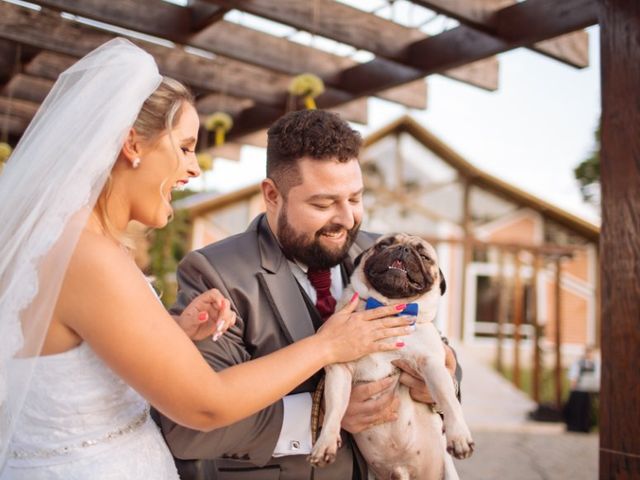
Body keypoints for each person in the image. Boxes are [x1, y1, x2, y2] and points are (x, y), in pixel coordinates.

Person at [0, 39, 413, 479]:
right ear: (133, 145)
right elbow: (203, 405)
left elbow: (82, 358)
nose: (195, 168)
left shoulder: (71, 246)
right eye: (184, 146)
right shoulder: (87, 256)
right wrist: (328, 345)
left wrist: (174, 332)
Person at [160, 109, 460, 480]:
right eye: (323, 204)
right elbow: (189, 428)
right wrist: (318, 417)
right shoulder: (214, 274)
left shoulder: (379, 256)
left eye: (355, 198)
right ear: (272, 195)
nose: (347, 219)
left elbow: (434, 346)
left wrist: (440, 380)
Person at [563, 345, 600, 433]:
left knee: (586, 408)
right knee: (576, 407)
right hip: (579, 388)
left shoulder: (595, 363)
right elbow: (574, 375)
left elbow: (597, 376)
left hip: (589, 389)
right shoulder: (579, 363)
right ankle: (575, 426)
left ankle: (586, 426)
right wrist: (573, 385)